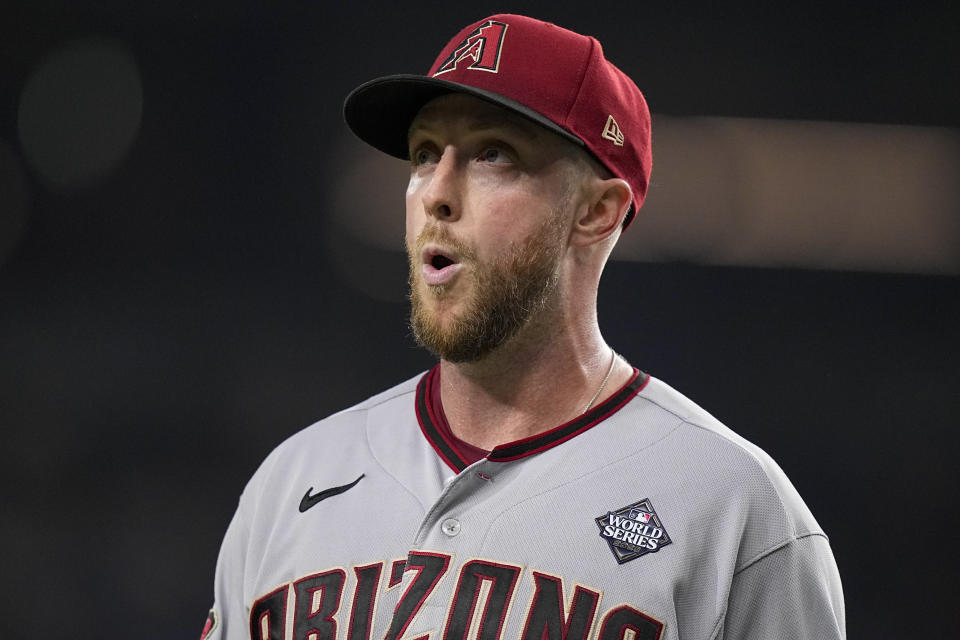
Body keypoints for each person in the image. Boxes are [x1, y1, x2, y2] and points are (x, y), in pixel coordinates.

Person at [202, 14, 845, 640]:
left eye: (492, 154)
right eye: (425, 154)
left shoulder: (734, 508)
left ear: (596, 211)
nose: (436, 192)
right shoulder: (289, 485)